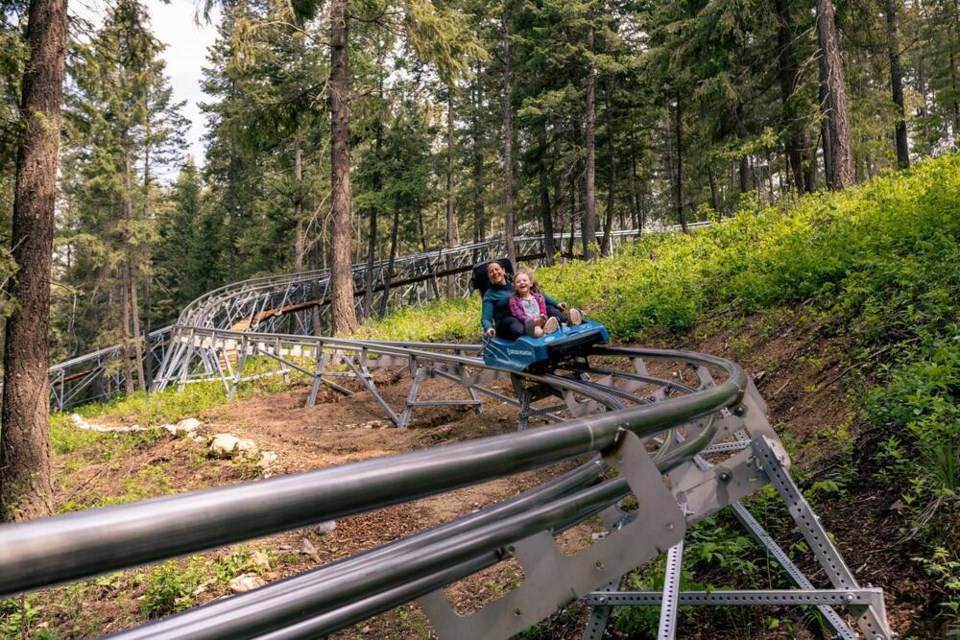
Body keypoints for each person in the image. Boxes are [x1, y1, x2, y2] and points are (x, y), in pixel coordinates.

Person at [509, 268, 582, 337]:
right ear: (515, 286)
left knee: (553, 320)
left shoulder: (538, 297)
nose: (522, 283)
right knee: (537, 330)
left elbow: (543, 309)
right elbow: (519, 315)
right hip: (531, 324)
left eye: (524, 280)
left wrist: (542, 317)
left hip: (542, 320)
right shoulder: (514, 301)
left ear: (531, 284)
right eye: (518, 282)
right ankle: (545, 333)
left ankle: (570, 322)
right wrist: (533, 321)